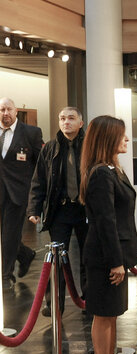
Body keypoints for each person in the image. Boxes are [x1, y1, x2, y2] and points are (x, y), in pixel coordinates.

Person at [80, 115, 137, 354]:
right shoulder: (102, 174)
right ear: (107, 139)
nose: (126, 139)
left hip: (115, 254)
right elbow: (105, 222)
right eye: (122, 135)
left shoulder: (111, 169)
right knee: (104, 317)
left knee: (112, 316)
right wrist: (116, 261)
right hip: (105, 257)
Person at [27, 107, 88, 317]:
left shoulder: (90, 146)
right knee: (56, 258)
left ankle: (89, 299)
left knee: (88, 255)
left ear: (81, 123)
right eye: (62, 119)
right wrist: (34, 209)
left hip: (84, 209)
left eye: (71, 118)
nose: (66, 122)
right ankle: (54, 303)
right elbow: (39, 180)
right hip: (59, 210)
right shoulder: (50, 148)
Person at [0, 97, 42, 290]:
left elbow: (40, 165)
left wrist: (36, 194)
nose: (5, 113)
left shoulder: (31, 133)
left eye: (8, 109)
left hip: (17, 193)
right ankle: (25, 254)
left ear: (16, 111)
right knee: (6, 236)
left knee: (10, 234)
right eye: (1, 110)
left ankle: (5, 276)